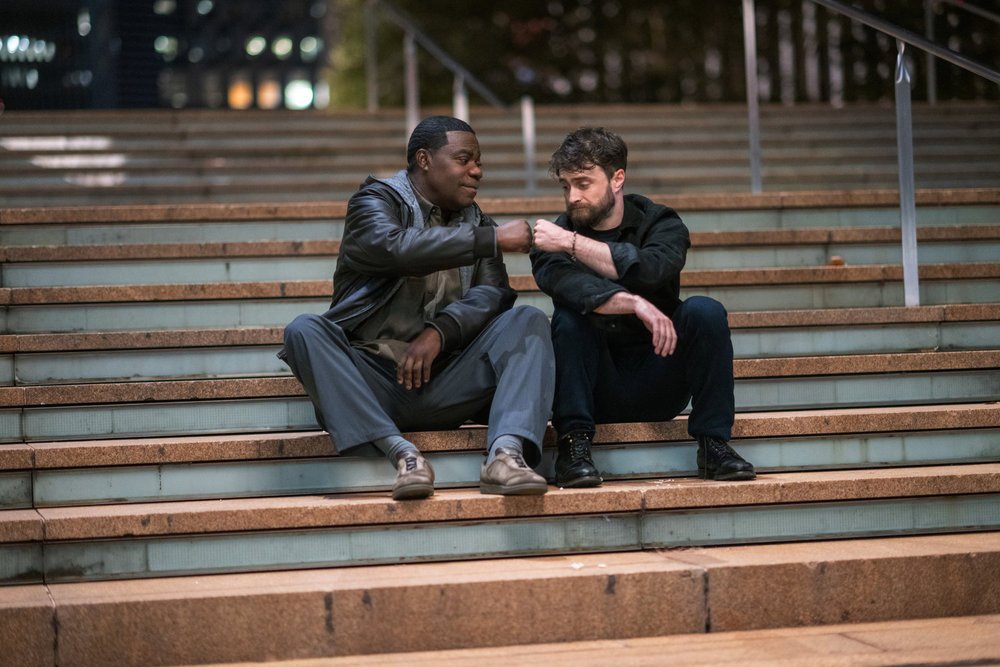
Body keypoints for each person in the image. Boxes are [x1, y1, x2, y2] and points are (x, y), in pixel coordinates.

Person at [281, 116, 553, 500]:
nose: (477, 170)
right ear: (424, 160)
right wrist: (489, 239)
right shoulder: (373, 203)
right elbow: (393, 247)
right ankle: (404, 455)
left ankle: (506, 456)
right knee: (304, 329)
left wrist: (440, 332)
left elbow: (492, 295)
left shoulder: (477, 220)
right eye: (464, 159)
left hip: (448, 380)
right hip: (374, 382)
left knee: (527, 318)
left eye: (478, 161)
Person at [530, 127, 755, 488]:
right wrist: (634, 303)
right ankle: (573, 448)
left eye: (583, 183)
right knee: (569, 319)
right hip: (594, 387)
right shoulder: (550, 240)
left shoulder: (659, 222)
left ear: (617, 178)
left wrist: (572, 244)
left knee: (704, 311)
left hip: (659, 374)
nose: (572, 196)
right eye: (565, 186)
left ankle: (714, 444)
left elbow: (653, 270)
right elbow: (575, 290)